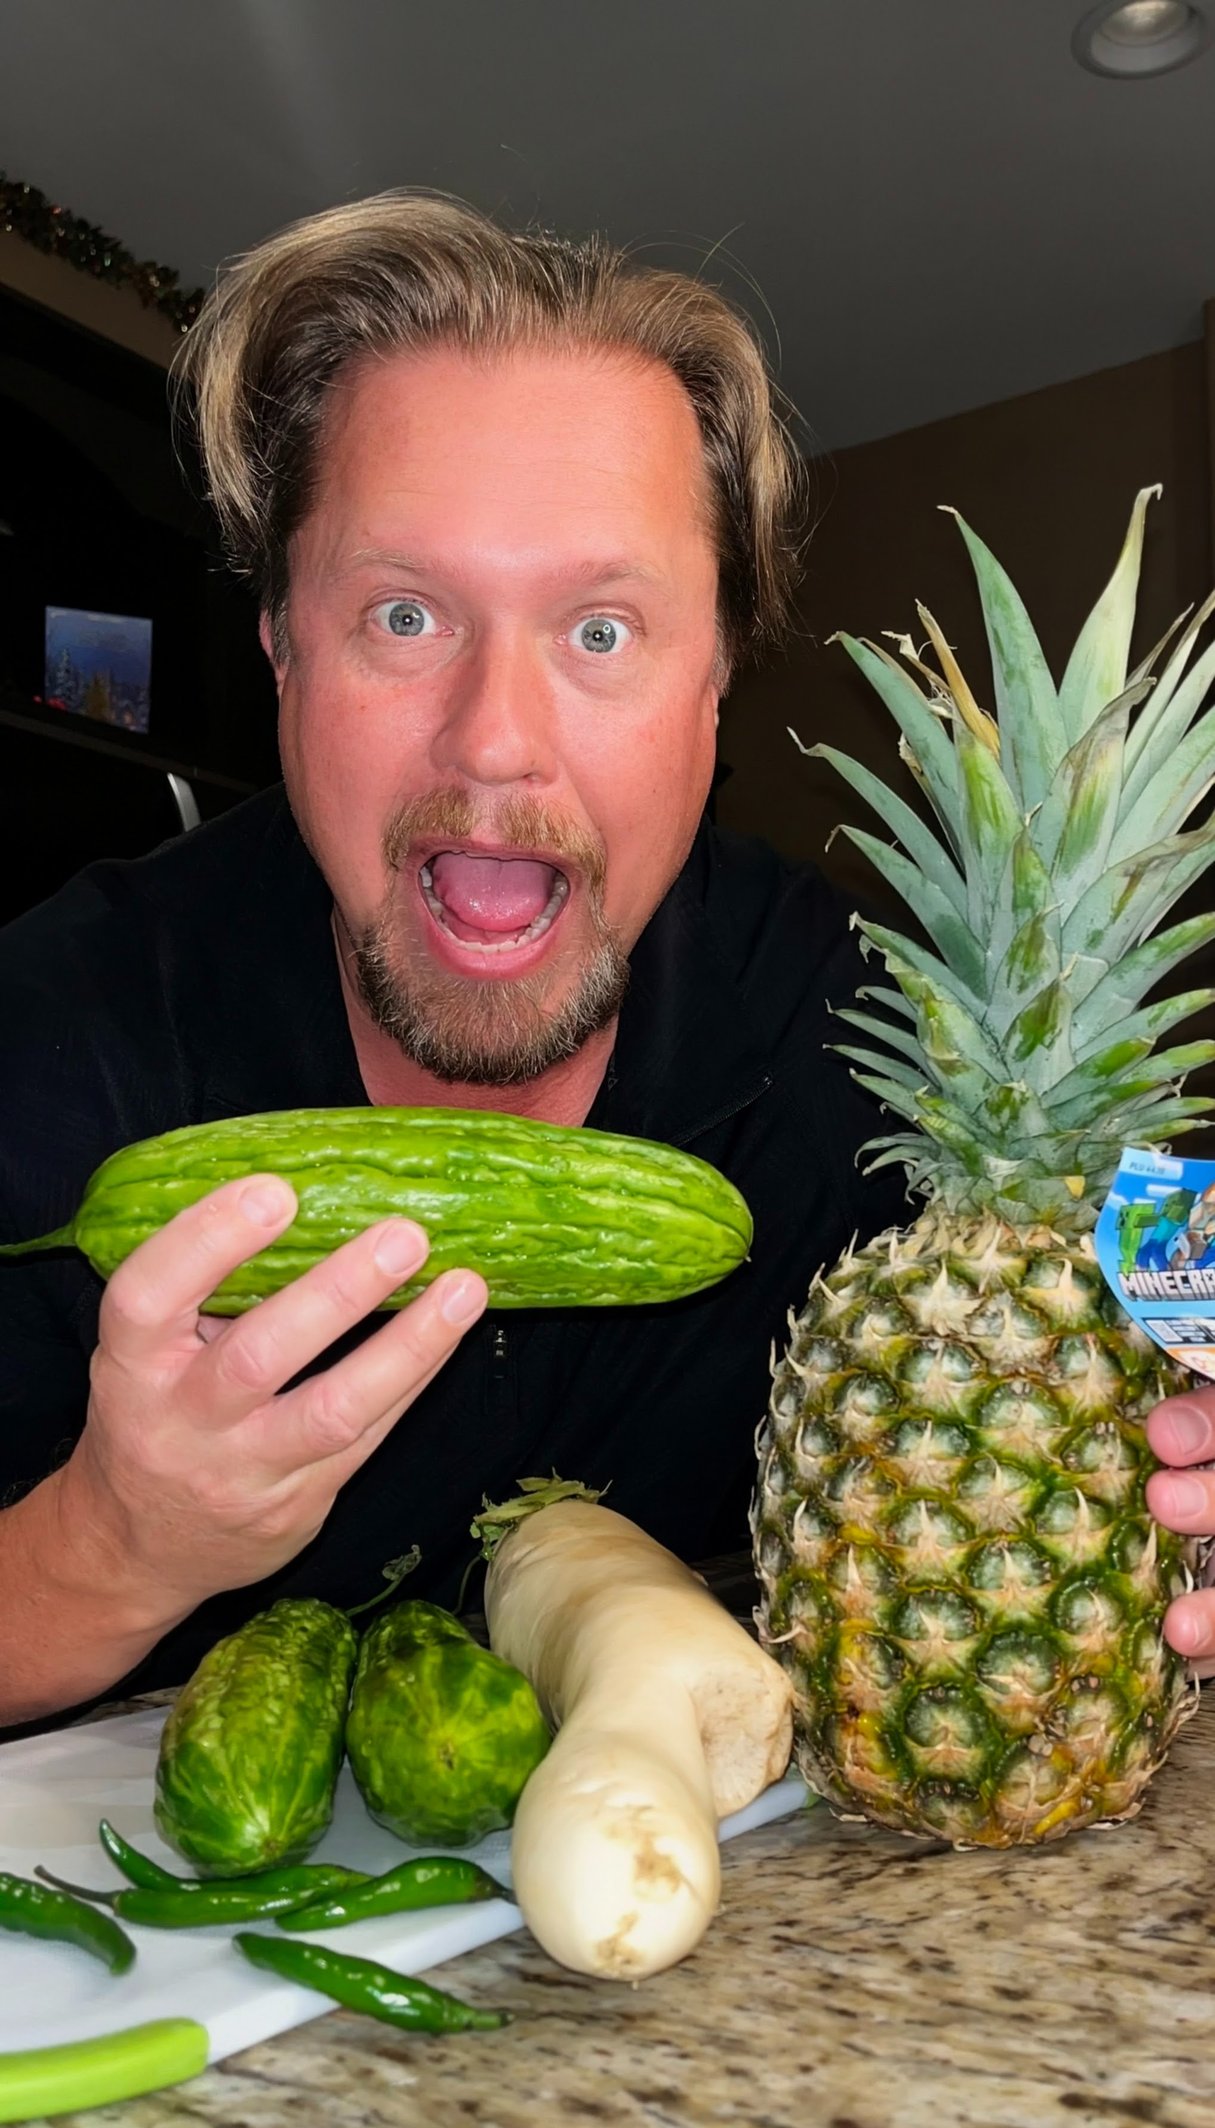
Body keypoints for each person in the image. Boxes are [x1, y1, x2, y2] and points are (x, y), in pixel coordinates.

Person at [0, 194, 1209, 1735]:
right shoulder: (54, 1032)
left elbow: (1172, 1234)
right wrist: (106, 1552)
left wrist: (1193, 1385)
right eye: (403, 614)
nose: (497, 740)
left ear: (715, 684)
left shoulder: (890, 1022)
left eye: (602, 632)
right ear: (284, 653)